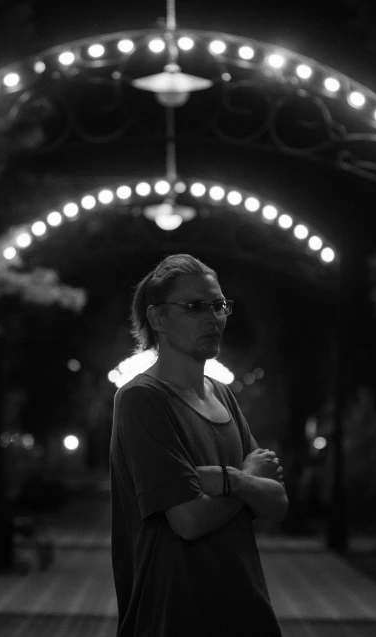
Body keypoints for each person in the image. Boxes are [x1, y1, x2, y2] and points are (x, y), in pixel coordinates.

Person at [109, 253, 288, 637]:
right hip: (175, 610)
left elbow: (277, 503)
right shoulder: (142, 399)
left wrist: (229, 481)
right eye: (194, 307)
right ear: (157, 318)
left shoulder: (222, 395)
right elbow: (188, 520)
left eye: (219, 305)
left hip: (245, 604)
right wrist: (247, 480)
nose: (213, 318)